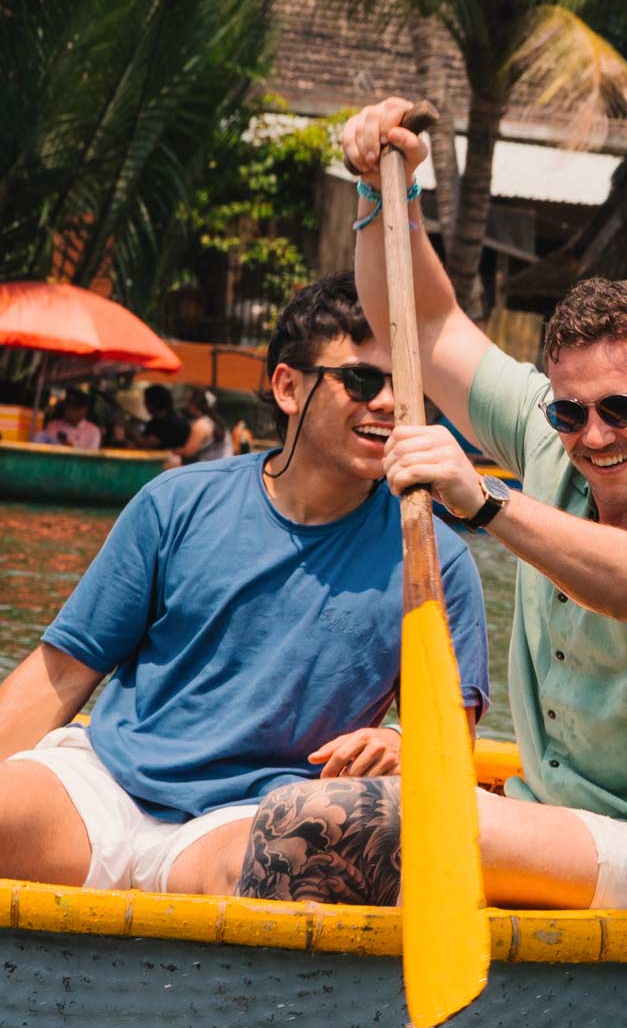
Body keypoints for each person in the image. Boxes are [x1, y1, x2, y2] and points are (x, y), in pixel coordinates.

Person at [326, 95, 627, 909]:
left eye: (622, 409)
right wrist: (379, 191)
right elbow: (427, 324)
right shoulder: (554, 436)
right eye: (570, 411)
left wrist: (488, 506)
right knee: (309, 814)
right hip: (555, 827)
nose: (593, 435)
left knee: (394, 824)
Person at [0, 282, 487, 897]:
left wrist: (399, 740)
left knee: (303, 854)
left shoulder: (434, 558)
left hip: (255, 820)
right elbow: (61, 674)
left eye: (410, 391)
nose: (389, 404)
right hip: (104, 786)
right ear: (288, 387)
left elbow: (450, 743)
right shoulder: (174, 504)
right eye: (361, 381)